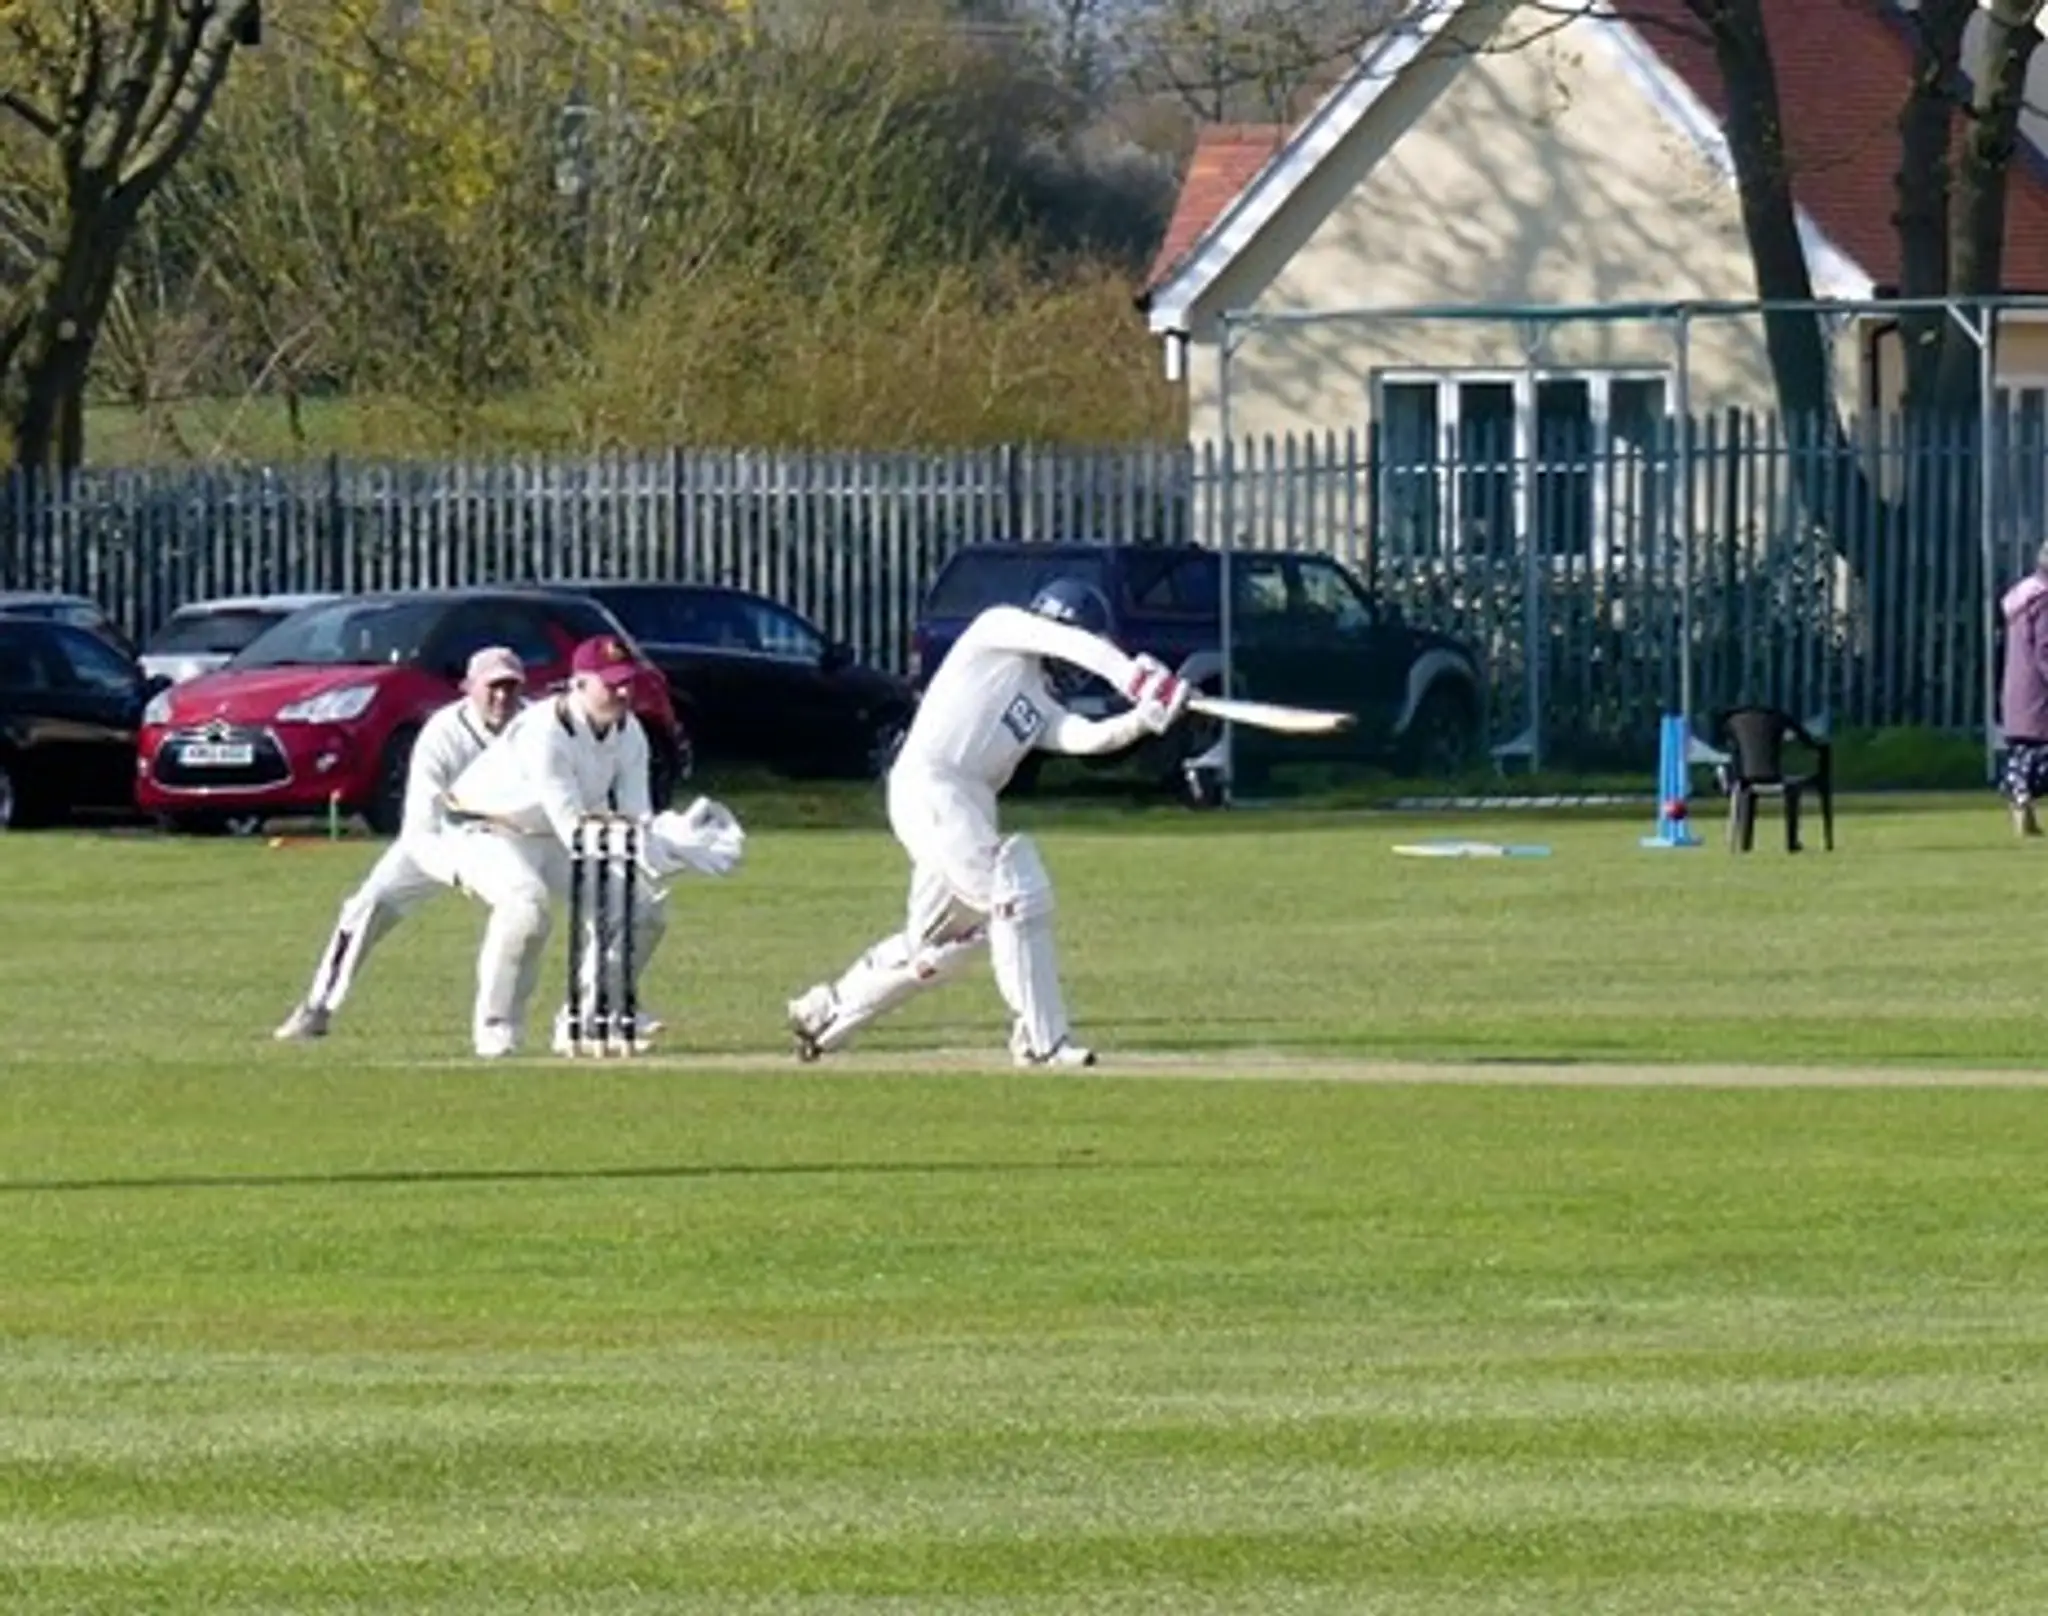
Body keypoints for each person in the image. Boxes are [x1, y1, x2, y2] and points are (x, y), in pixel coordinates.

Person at [786, 577, 1191, 1068]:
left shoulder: (1040, 701)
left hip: (968, 806)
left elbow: (1083, 738)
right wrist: (1134, 676)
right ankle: (1043, 1042)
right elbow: (1067, 642)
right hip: (932, 786)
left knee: (936, 944)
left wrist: (1142, 718)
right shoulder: (997, 629)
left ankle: (825, 1014)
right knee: (1017, 890)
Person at [274, 646, 527, 1041]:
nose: (502, 697)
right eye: (493, 686)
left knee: (532, 911)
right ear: (468, 687)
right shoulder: (443, 732)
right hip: (437, 838)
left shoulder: (535, 727)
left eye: (511, 687)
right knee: (366, 906)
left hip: (507, 839)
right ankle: (317, 1007)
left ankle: (590, 1012)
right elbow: (420, 827)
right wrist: (458, 872)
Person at [438, 633, 674, 1058]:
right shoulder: (543, 731)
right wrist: (637, 842)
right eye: (611, 683)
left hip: (560, 837)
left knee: (645, 909)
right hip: (486, 829)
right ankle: (496, 1025)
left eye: (627, 682)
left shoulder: (630, 729)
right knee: (525, 907)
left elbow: (636, 814)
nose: (622, 692)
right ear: (579, 684)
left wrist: (668, 847)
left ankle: (586, 1017)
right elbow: (573, 827)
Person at [2001, 539, 2048, 838]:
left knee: (2025, 755)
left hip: (2020, 694)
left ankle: (2020, 796)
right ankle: (2022, 795)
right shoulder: (2045, 602)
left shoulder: (2024, 597)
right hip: (2040, 695)